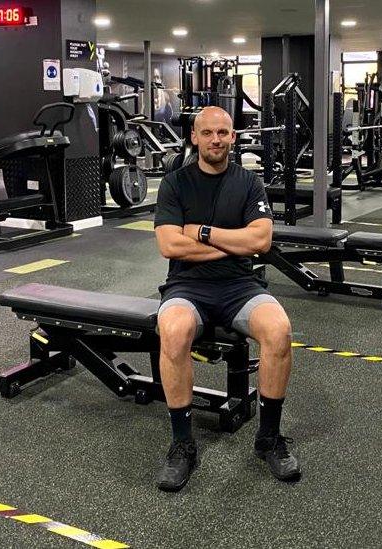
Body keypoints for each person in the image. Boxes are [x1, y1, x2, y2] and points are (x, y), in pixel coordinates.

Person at [152, 106, 301, 492]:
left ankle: (268, 438)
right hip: (187, 286)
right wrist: (233, 243)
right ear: (194, 138)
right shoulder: (175, 184)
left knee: (279, 331)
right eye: (208, 133)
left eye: (223, 132)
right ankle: (183, 443)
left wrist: (200, 233)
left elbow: (261, 241)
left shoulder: (249, 183)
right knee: (172, 330)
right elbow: (170, 246)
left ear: (233, 137)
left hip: (239, 286)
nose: (216, 139)